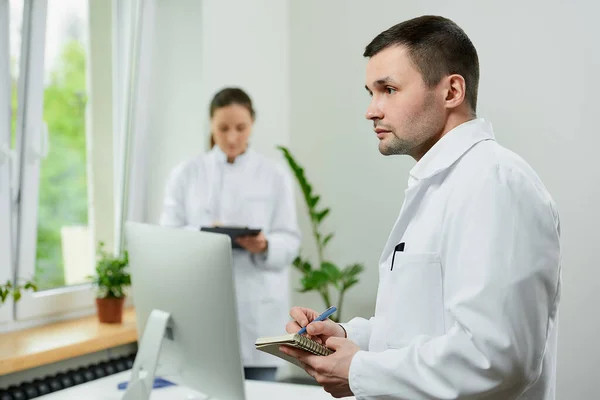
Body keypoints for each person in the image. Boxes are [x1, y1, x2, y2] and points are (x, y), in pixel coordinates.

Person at [281, 15, 561, 399]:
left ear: (451, 92)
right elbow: (418, 327)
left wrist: (359, 369)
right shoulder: (439, 184)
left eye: (389, 90)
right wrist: (346, 336)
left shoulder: (495, 183)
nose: (371, 110)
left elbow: (496, 358)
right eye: (370, 92)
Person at [160, 87, 301, 382]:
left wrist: (265, 245)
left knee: (261, 390)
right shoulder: (186, 174)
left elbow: (290, 240)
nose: (232, 137)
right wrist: (203, 236)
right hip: (204, 310)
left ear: (252, 125)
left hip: (257, 314)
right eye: (223, 128)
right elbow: (168, 239)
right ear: (211, 124)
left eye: (241, 128)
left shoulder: (274, 175)